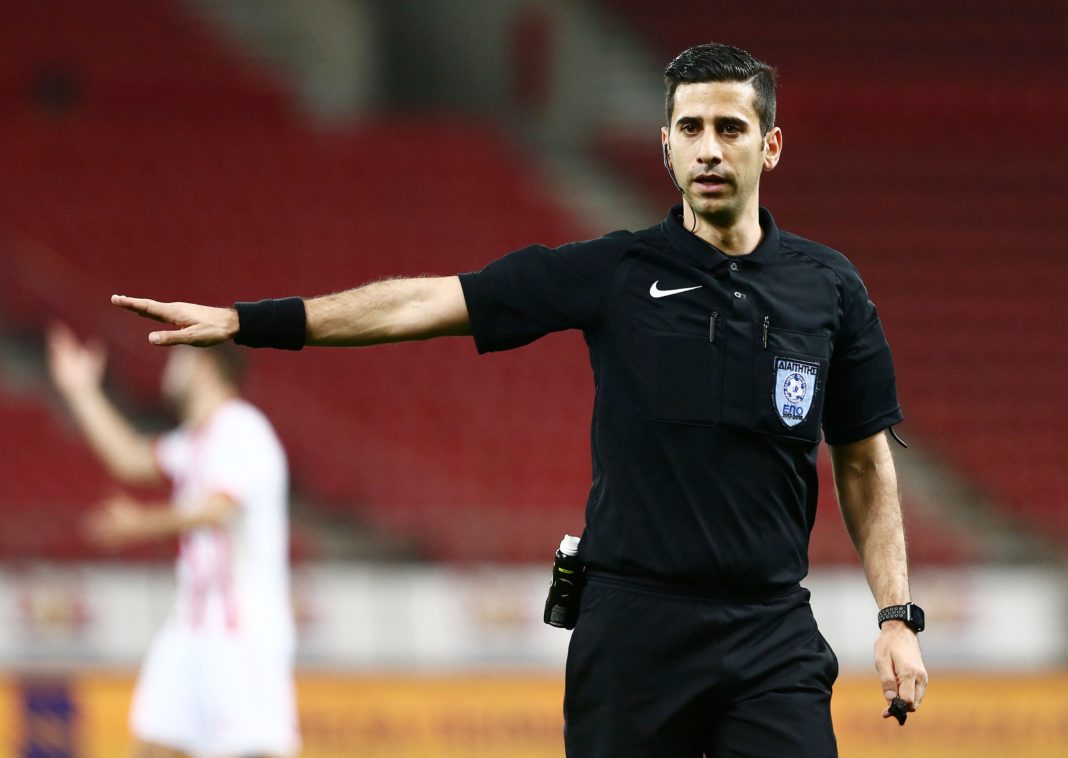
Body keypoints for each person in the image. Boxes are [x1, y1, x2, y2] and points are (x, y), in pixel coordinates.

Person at [111, 42, 927, 757]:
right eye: (690, 128)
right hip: (633, 629)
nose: (709, 149)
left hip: (770, 630)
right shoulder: (614, 272)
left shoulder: (829, 288)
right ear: (666, 145)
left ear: (770, 145)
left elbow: (863, 461)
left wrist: (895, 615)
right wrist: (247, 322)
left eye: (730, 128)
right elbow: (423, 302)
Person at [46, 324, 300, 758]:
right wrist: (82, 392)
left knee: (254, 749)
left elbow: (219, 507)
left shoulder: (242, 428)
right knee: (154, 744)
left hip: (241, 630)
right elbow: (130, 458)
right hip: (191, 625)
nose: (169, 366)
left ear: (204, 364)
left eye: (179, 356)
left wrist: (141, 522)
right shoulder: (194, 441)